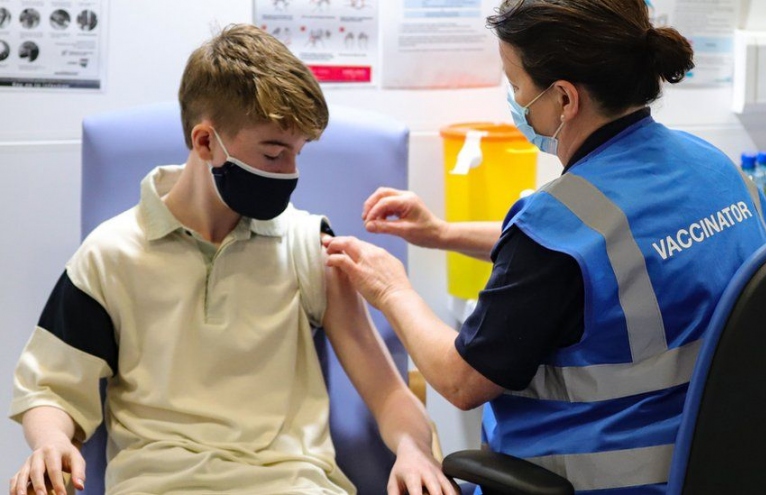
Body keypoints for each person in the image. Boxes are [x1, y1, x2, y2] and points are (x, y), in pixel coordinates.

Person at [323, 0, 766, 493]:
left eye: (515, 84)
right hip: (722, 468)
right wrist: (441, 233)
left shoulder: (557, 226)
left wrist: (392, 289)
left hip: (602, 481)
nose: (514, 100)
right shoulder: (715, 168)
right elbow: (603, 254)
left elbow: (460, 381)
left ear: (563, 98)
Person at [8, 24, 455, 495]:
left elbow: (388, 392)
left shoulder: (310, 249)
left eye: (298, 154)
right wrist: (50, 442)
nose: (291, 173)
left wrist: (414, 450)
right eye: (274, 154)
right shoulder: (110, 255)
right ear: (205, 142)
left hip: (290, 484)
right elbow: (52, 389)